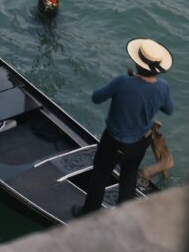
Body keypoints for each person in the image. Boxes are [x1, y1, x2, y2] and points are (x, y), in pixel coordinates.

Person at [73, 38, 175, 217]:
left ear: (137, 62)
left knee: (100, 176)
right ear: (157, 68)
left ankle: (88, 214)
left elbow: (96, 98)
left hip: (113, 142)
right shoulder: (163, 87)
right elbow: (169, 109)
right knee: (128, 177)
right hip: (140, 142)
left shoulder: (122, 82)